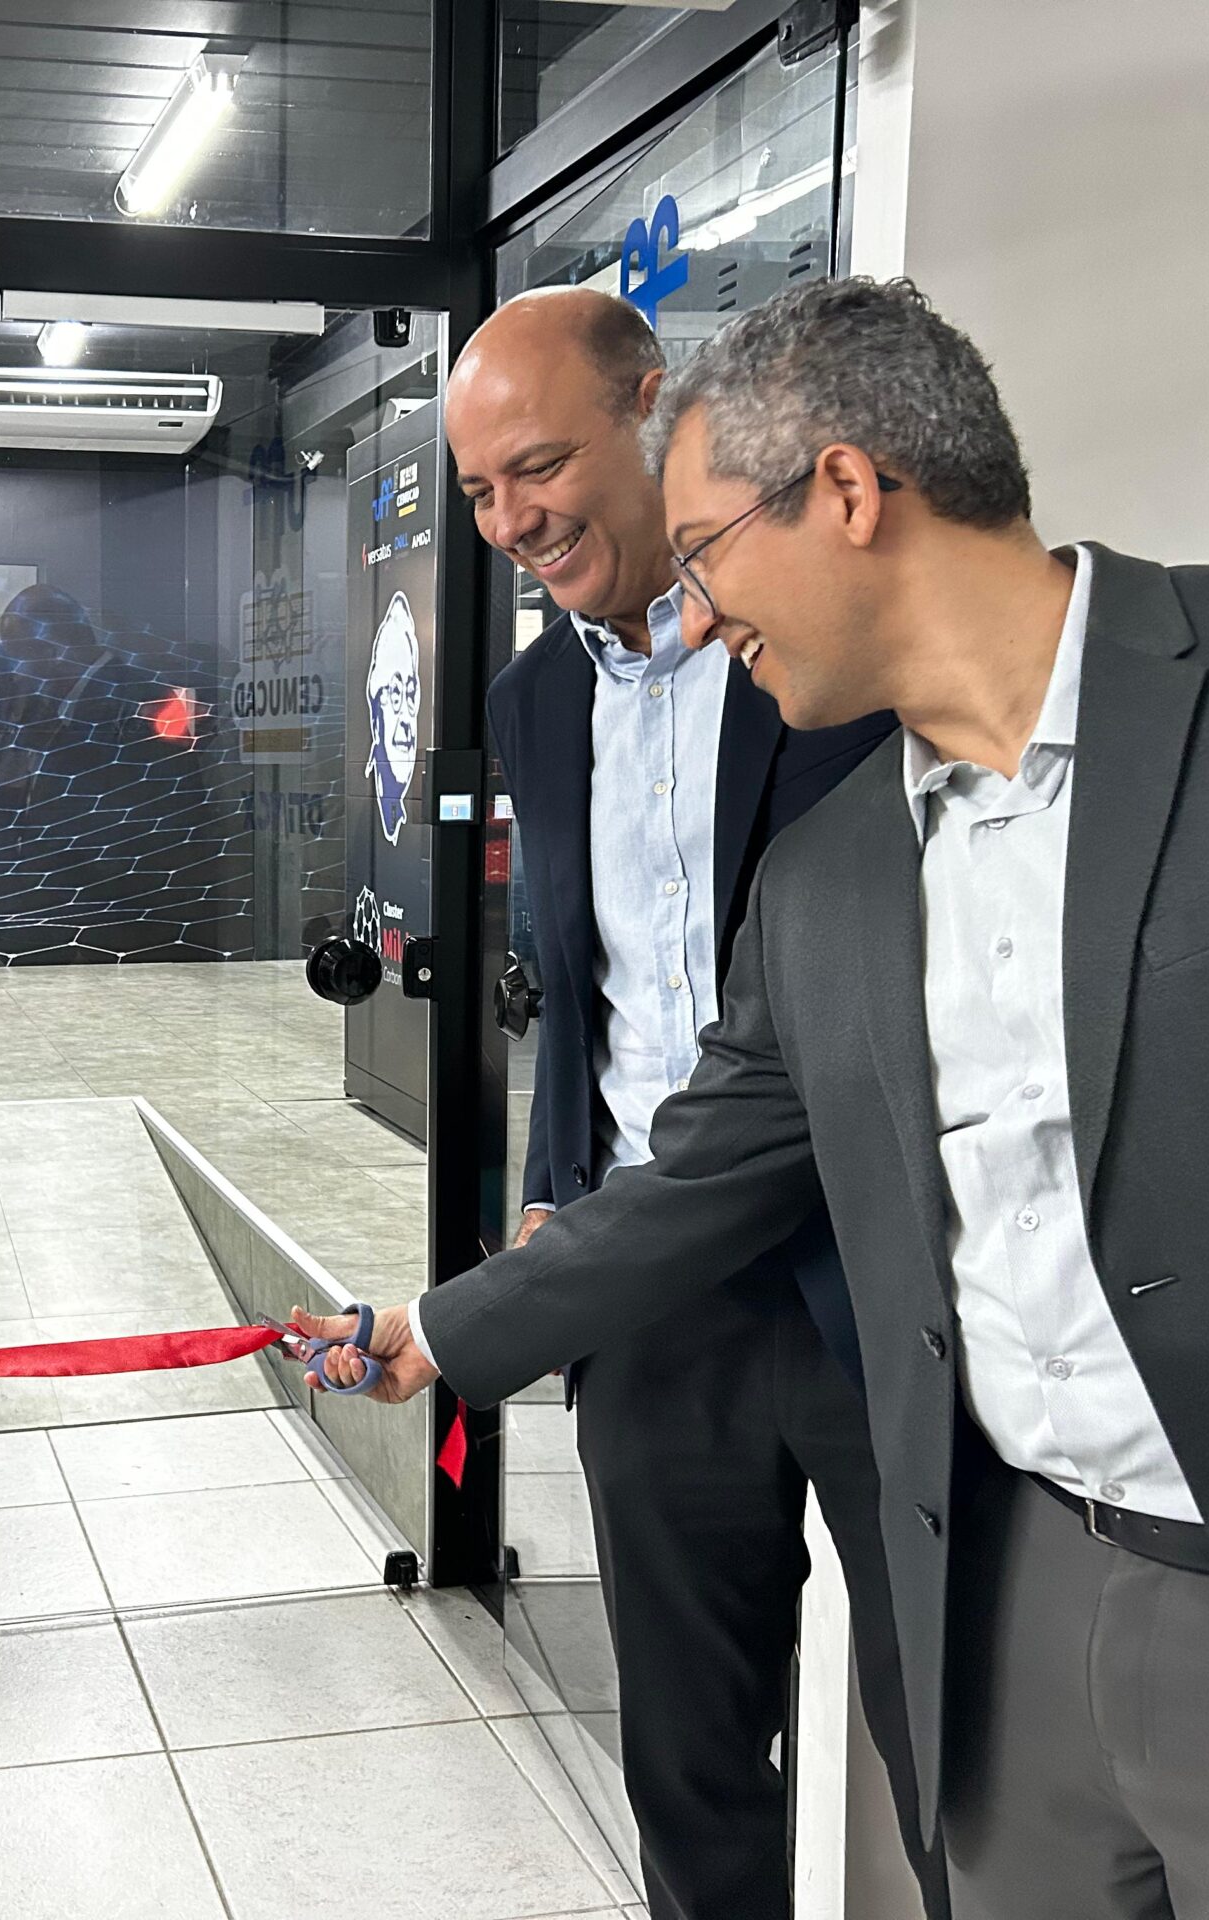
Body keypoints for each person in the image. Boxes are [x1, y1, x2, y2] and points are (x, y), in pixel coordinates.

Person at [303, 277, 1209, 1919]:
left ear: (848, 491)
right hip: (1018, 1569)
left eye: (706, 552)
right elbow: (706, 1163)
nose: (693, 614)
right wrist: (447, 1326)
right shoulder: (831, 884)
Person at [448, 285, 937, 1919]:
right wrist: (553, 1193)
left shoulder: (836, 644)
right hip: (651, 1296)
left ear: (652, 408)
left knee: (961, 1755)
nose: (511, 523)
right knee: (687, 1762)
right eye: (478, 493)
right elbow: (573, 977)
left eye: (537, 467)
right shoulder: (531, 702)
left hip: (881, 1278)